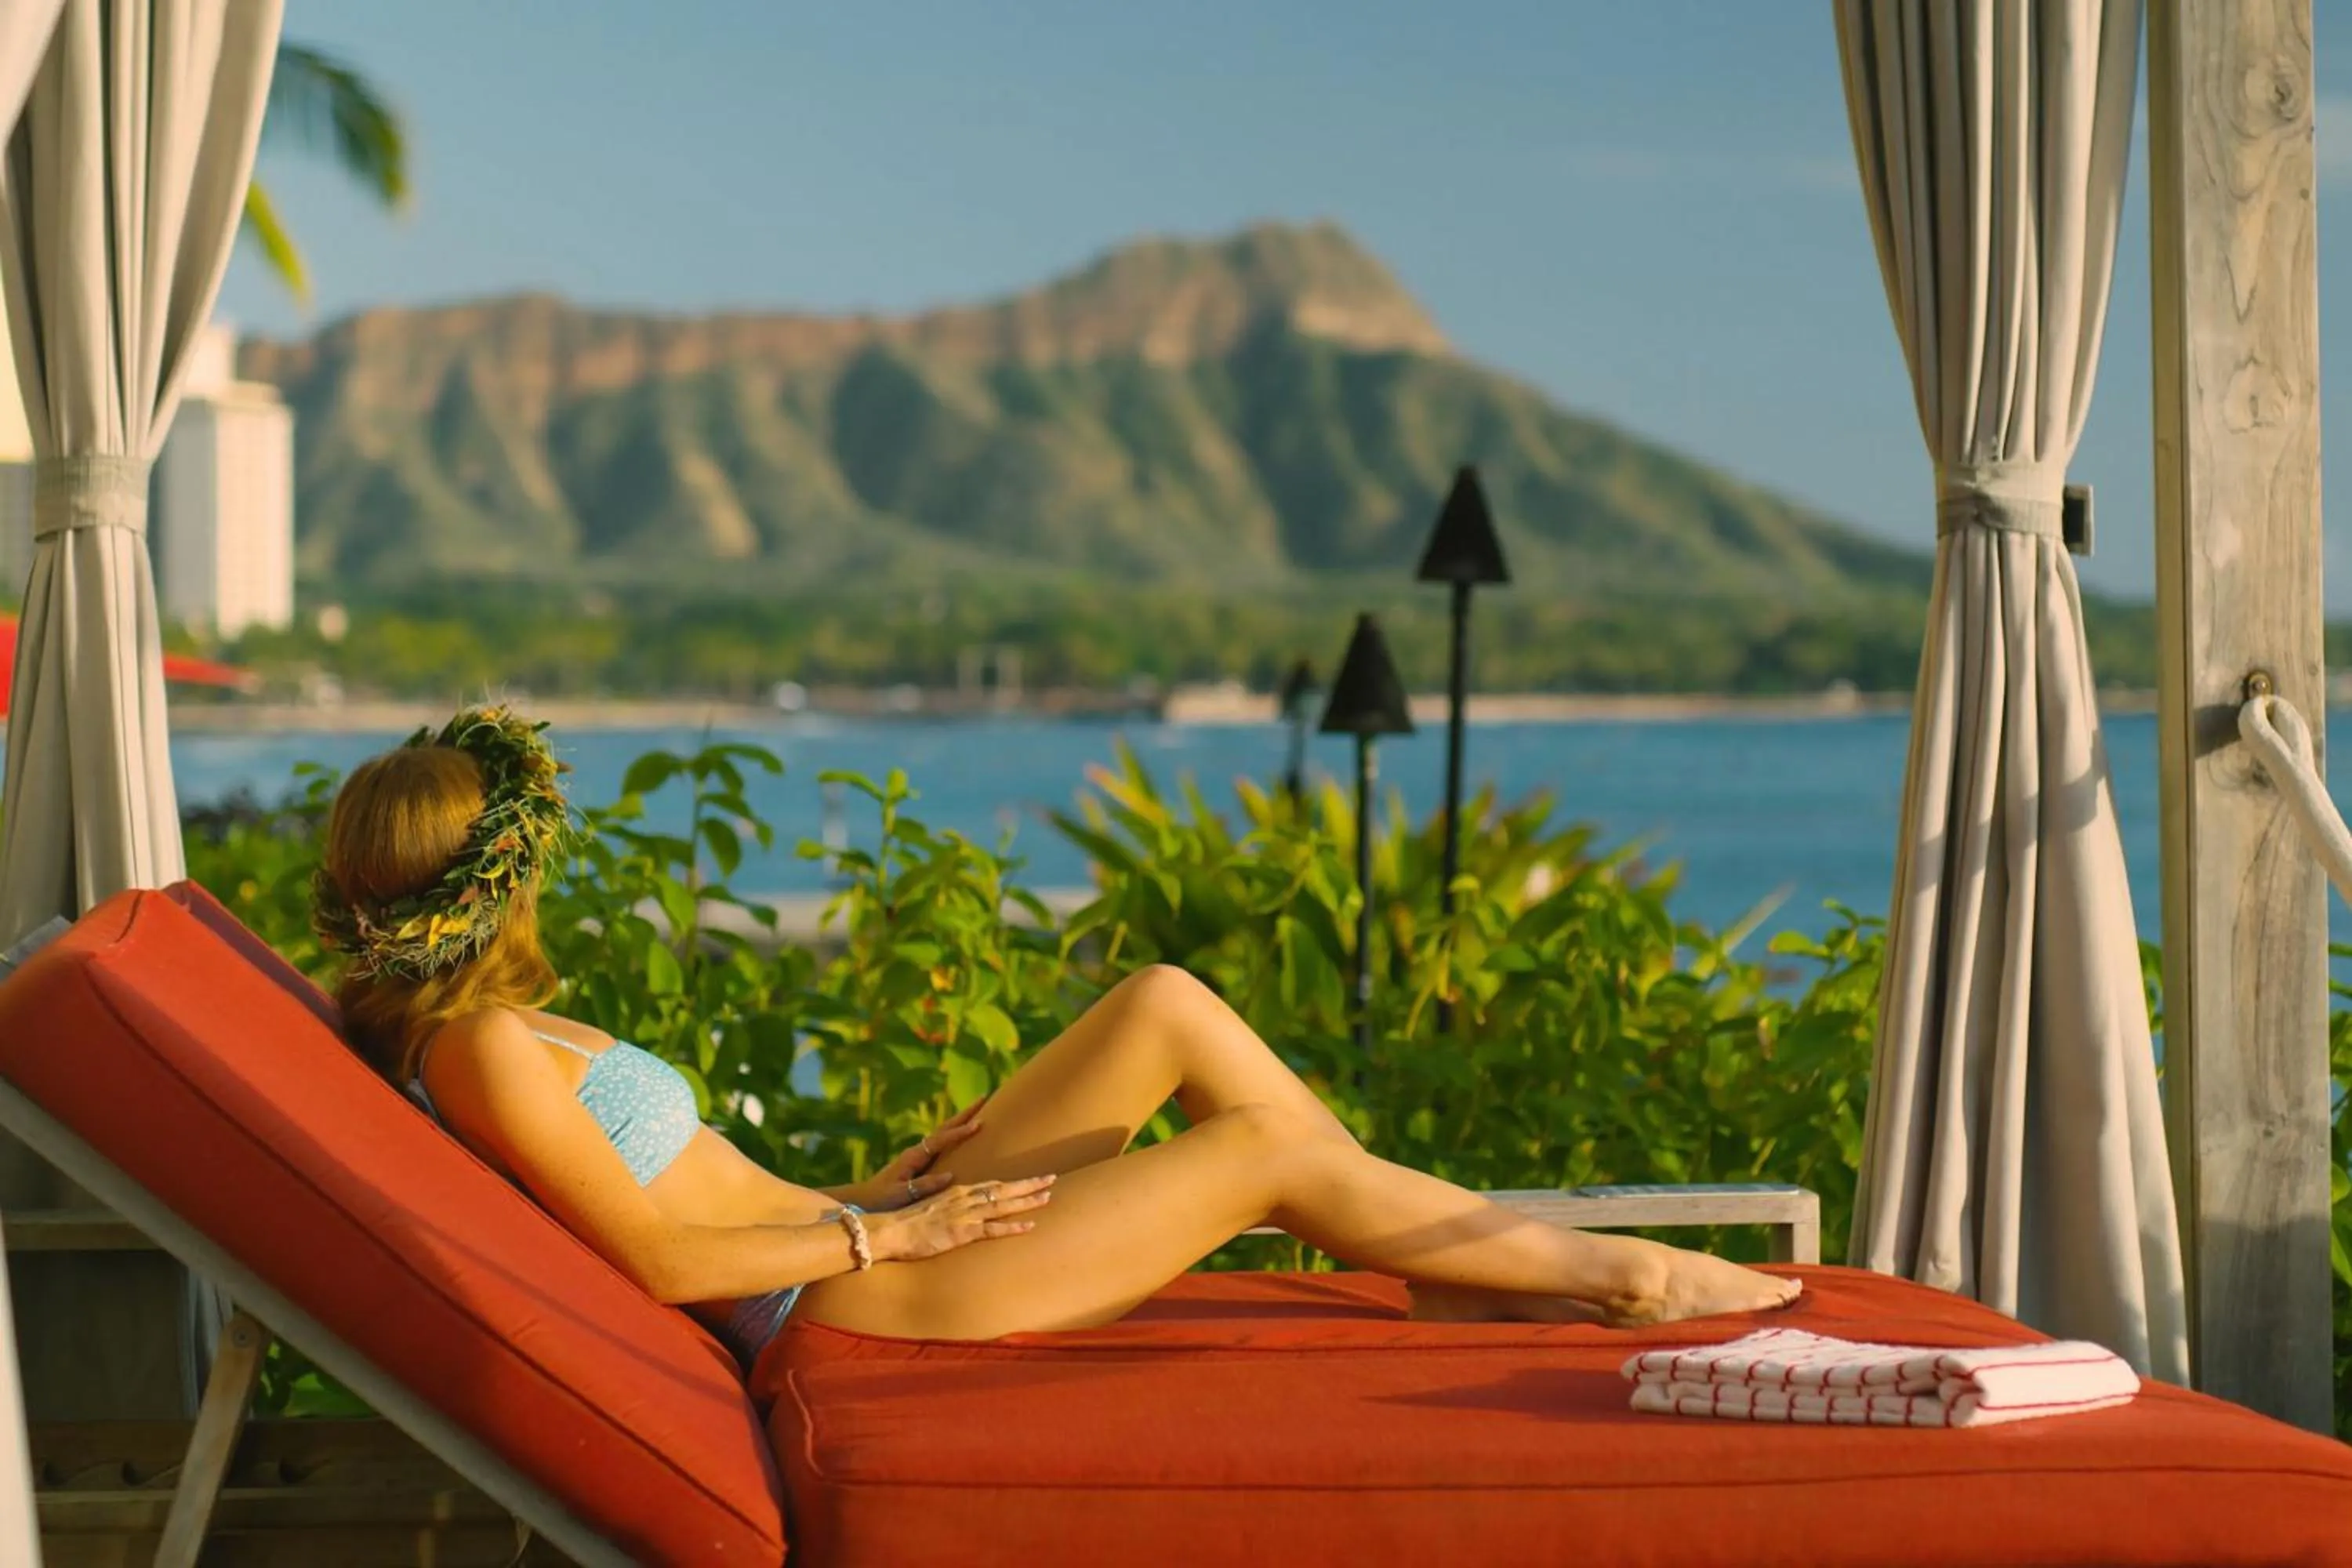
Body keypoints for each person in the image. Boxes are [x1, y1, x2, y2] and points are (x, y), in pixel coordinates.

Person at [314, 706, 1800, 1368]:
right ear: (503, 868)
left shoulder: (481, 1027)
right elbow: (649, 1264)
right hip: (833, 1320)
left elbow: (690, 1195)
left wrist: (867, 1197)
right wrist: (887, 1243)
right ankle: (1626, 1277)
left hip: (843, 1246)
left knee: (1160, 1001)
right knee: (1265, 1147)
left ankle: (1448, 1266)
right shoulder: (483, 1049)